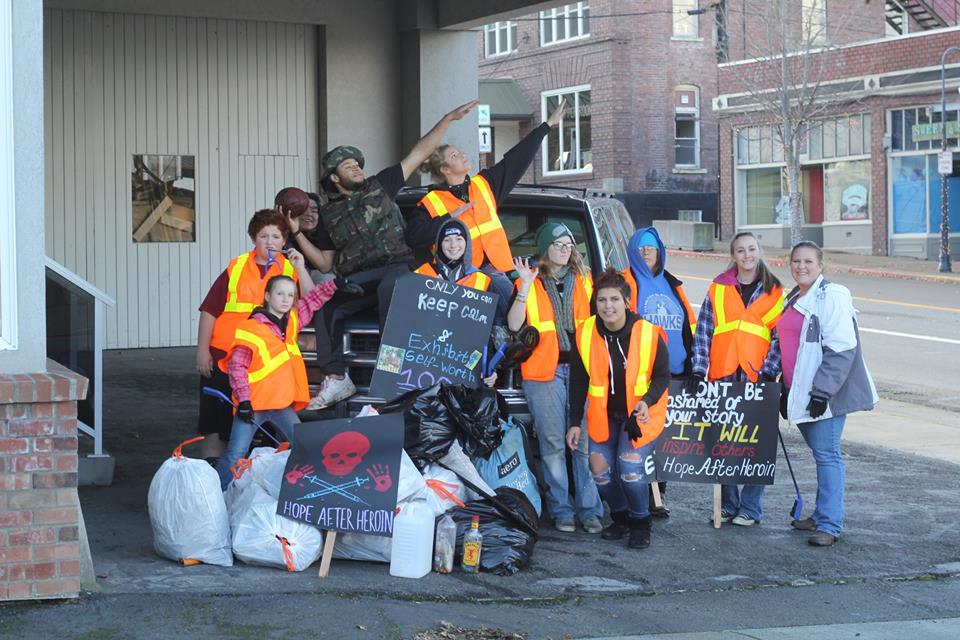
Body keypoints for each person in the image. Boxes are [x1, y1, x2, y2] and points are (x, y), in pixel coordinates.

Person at [286, 100, 479, 410]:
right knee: (325, 304)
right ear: (335, 178)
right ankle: (337, 378)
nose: (357, 168)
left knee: (394, 287)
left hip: (398, 268)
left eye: (358, 163)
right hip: (362, 279)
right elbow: (324, 263)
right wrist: (295, 232)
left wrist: (447, 119)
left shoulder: (381, 184)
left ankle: (392, 371)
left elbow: (419, 151)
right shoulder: (328, 214)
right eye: (348, 166)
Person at [405, 100, 569, 325]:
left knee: (518, 318)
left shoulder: (485, 184)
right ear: (444, 169)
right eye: (454, 156)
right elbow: (413, 237)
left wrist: (546, 126)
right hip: (458, 280)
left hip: (496, 271)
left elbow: (515, 160)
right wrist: (448, 219)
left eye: (460, 153)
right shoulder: (430, 203)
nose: (462, 156)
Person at [216, 269, 359, 490]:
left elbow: (312, 301)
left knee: (303, 447)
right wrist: (244, 401)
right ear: (267, 297)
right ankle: (217, 497)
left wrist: (335, 285)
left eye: (290, 295)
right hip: (253, 405)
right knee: (235, 454)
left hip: (280, 405)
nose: (285, 299)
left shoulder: (291, 321)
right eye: (280, 294)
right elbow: (237, 367)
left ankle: (310, 492)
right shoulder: (251, 328)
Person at [776, 241, 877, 547]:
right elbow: (791, 348)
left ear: (821, 265)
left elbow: (843, 348)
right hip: (800, 390)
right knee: (821, 455)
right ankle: (821, 515)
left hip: (823, 395)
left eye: (808, 261)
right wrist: (785, 387)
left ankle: (830, 525)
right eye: (796, 261)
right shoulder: (795, 297)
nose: (801, 266)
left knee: (827, 456)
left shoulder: (832, 295)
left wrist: (822, 392)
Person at [507, 222, 603, 533]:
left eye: (569, 243)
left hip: (582, 371)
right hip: (543, 373)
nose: (565, 248)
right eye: (558, 243)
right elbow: (513, 324)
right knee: (552, 445)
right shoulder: (530, 280)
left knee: (583, 444)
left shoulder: (586, 280)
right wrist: (522, 286)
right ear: (545, 247)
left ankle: (590, 510)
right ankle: (562, 510)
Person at [195, 209, 311, 459]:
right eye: (263, 236)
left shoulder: (290, 270)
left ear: (284, 241)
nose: (270, 242)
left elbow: (311, 300)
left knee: (259, 428)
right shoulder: (236, 267)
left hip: (265, 366)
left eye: (276, 236)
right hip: (223, 357)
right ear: (253, 239)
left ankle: (244, 479)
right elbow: (209, 311)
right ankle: (213, 482)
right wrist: (202, 351)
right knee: (215, 424)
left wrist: (300, 268)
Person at [568, 268, 670, 549]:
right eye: (602, 300)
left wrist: (646, 401)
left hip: (639, 416)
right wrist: (574, 421)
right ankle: (621, 517)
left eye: (614, 299)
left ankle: (641, 521)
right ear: (595, 303)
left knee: (630, 467)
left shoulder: (648, 333)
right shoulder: (585, 333)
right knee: (599, 469)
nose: (608, 306)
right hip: (603, 416)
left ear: (627, 301)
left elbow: (663, 376)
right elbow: (578, 380)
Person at [687, 231, 783, 526]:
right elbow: (703, 330)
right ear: (733, 255)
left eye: (751, 249)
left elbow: (780, 337)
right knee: (723, 442)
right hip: (723, 374)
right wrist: (699, 370)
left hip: (757, 377)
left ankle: (750, 508)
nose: (746, 255)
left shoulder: (775, 290)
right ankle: (728, 504)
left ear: (759, 251)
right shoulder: (718, 287)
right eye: (740, 251)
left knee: (758, 444)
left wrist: (770, 371)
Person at [622, 227, 697, 518]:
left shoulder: (672, 284)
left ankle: (658, 494)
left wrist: (693, 366)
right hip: (642, 374)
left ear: (660, 251)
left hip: (675, 373)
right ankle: (640, 494)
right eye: (640, 249)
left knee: (665, 439)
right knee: (642, 436)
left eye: (650, 248)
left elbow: (687, 327)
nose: (645, 253)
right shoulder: (626, 282)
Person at [414, 217, 499, 388]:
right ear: (438, 244)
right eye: (447, 239)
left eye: (459, 239)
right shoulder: (420, 275)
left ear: (467, 243)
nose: (453, 245)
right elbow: (406, 323)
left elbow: (490, 330)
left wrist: (490, 367)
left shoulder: (482, 280)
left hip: (465, 368)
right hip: (424, 365)